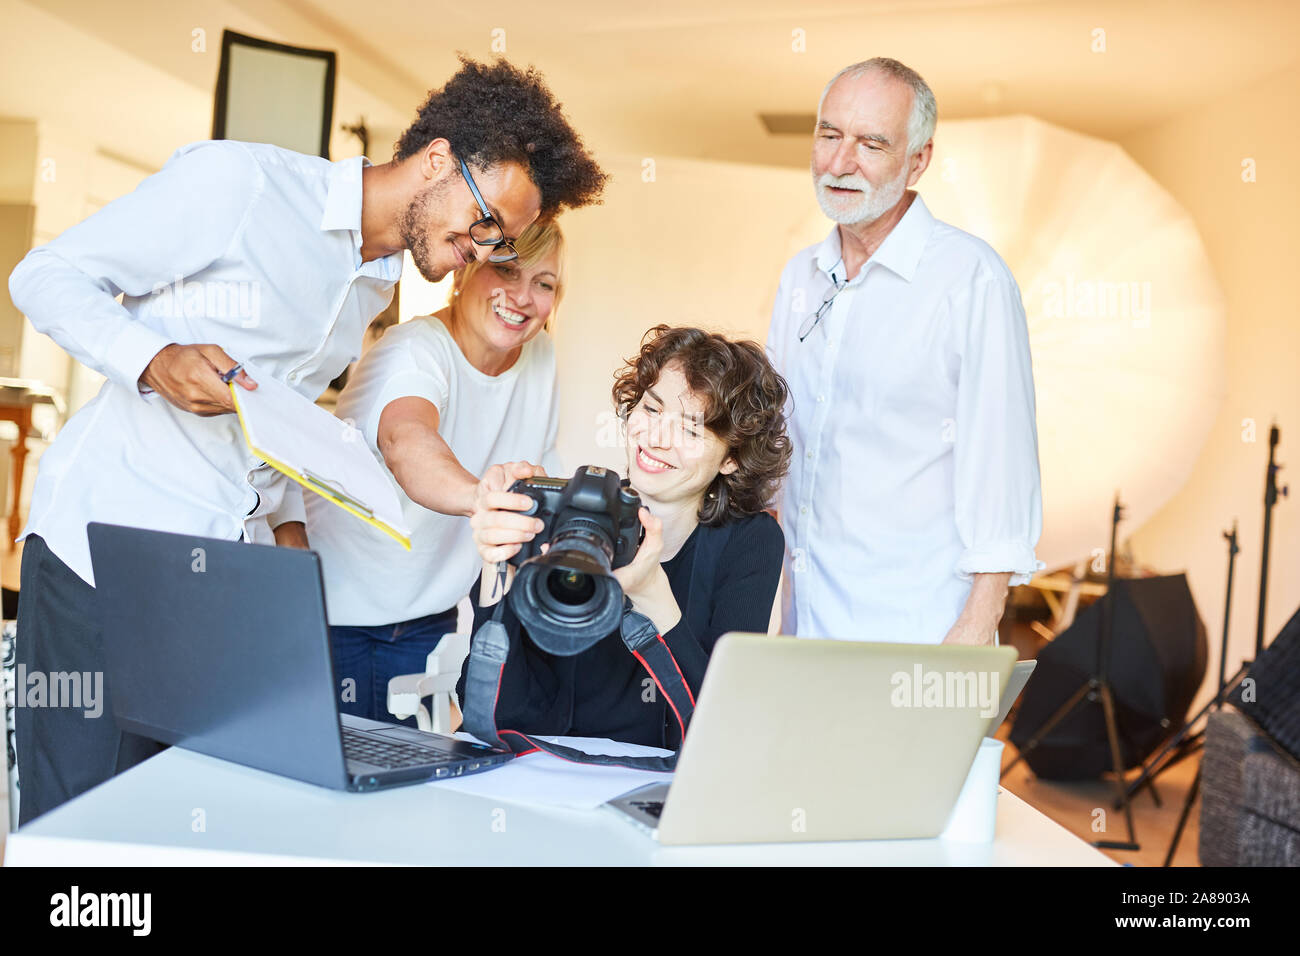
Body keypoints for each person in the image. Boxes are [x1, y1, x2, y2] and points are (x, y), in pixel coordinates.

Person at [6, 57, 606, 823]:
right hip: (104, 552)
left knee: (161, 825)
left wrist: (288, 531)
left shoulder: (374, 280)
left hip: (212, 581)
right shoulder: (242, 186)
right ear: (436, 158)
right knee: (79, 830)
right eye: (486, 224)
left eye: (504, 243)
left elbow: (269, 418)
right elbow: (44, 274)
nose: (484, 252)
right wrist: (153, 362)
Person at [767, 57, 1043, 648]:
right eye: (829, 135)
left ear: (918, 160)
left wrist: (979, 622)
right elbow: (778, 441)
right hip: (803, 626)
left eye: (871, 143)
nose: (841, 163)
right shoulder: (800, 277)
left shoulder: (972, 279)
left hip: (920, 632)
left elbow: (1002, 459)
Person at [458, 326, 791, 749]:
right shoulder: (571, 517)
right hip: (546, 772)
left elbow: (727, 731)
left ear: (731, 458)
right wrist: (498, 570)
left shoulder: (750, 542)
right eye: (651, 410)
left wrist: (653, 596)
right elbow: (485, 708)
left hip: (659, 794)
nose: (655, 439)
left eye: (690, 430)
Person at [307, 220, 567, 723]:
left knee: (405, 788)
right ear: (463, 274)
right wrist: (481, 498)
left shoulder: (541, 358)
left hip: (432, 616)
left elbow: (544, 464)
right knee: (340, 789)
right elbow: (406, 441)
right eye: (507, 270)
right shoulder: (416, 347)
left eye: (545, 283)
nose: (522, 296)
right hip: (339, 617)